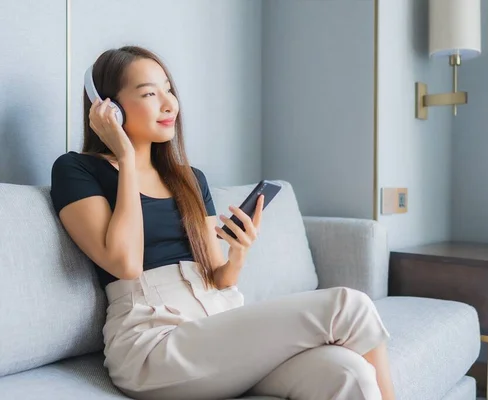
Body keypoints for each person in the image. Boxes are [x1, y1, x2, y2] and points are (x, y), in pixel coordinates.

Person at [50, 45, 395, 400]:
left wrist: (238, 253)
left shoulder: (189, 179)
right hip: (154, 344)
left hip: (218, 326)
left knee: (348, 373)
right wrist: (125, 156)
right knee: (348, 307)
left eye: (168, 89)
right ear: (109, 109)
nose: (169, 104)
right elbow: (126, 263)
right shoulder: (76, 169)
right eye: (150, 94)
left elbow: (219, 277)